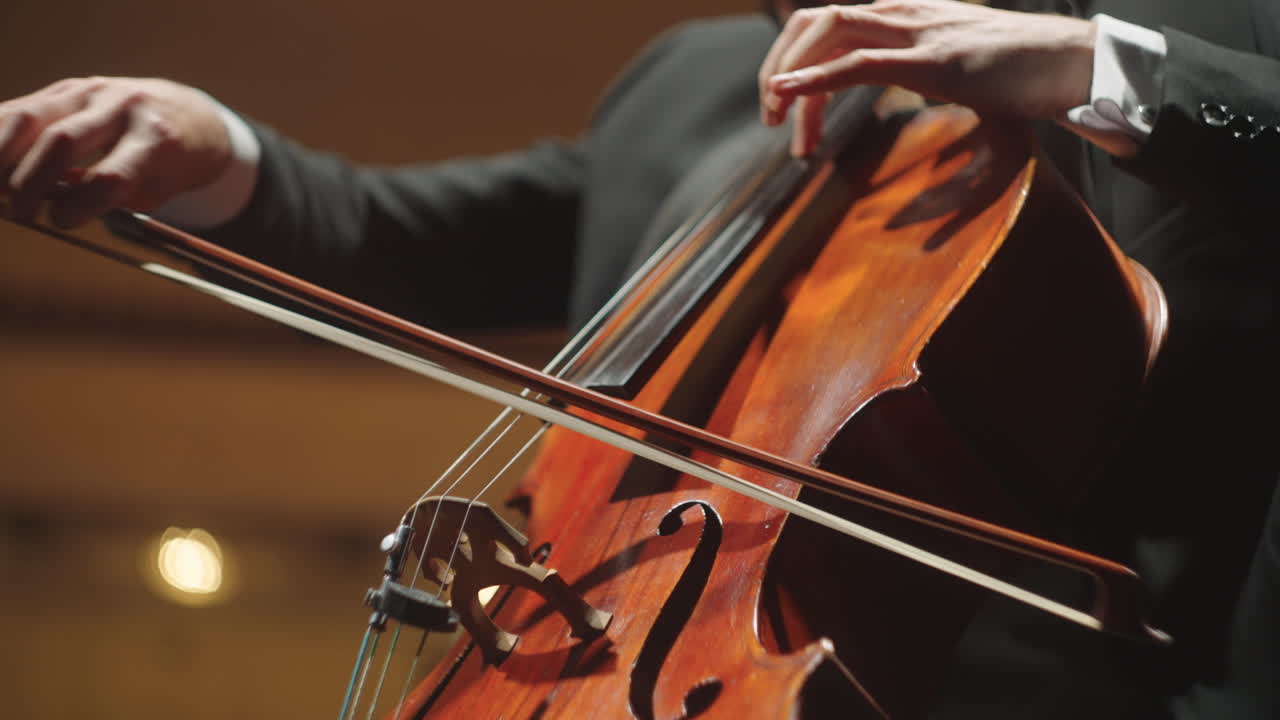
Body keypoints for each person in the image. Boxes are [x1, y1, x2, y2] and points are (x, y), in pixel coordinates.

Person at [0, 0, 1274, 717]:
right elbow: (424, 238)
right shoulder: (699, 84)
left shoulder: (1181, 29)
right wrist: (222, 151)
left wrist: (1097, 72)